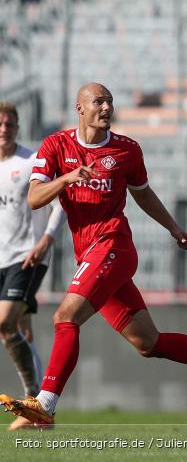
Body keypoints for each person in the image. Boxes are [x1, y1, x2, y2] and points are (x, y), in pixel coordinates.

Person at [0, 84, 187, 427]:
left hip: (114, 246)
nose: (106, 107)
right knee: (148, 342)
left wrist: (175, 228)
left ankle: (45, 404)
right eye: (99, 101)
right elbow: (34, 198)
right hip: (88, 253)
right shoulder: (56, 145)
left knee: (65, 317)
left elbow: (144, 194)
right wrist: (67, 178)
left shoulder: (127, 150)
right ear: (80, 108)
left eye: (110, 101)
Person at [0, 103, 66, 430]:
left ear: (17, 126)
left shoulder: (30, 161)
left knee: (4, 323)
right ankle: (42, 415)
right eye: (0, 124)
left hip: (27, 255)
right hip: (2, 257)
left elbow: (60, 202)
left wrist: (46, 242)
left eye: (9, 124)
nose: (4, 129)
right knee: (22, 331)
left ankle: (33, 402)